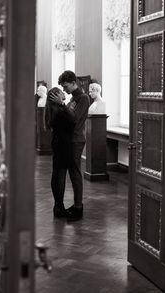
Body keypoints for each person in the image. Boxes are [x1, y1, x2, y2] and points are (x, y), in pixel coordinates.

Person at [49, 70, 90, 221]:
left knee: (75, 173)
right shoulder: (73, 99)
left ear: (74, 83)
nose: (64, 90)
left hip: (76, 140)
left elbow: (74, 120)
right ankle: (76, 205)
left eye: (66, 86)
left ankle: (78, 208)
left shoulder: (83, 98)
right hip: (68, 140)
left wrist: (62, 104)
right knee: (71, 173)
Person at [45, 87, 75, 218]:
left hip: (58, 143)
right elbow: (73, 122)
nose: (64, 93)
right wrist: (64, 104)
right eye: (61, 92)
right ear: (56, 96)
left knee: (56, 174)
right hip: (63, 144)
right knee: (60, 175)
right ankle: (59, 207)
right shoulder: (60, 110)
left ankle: (57, 206)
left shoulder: (53, 110)